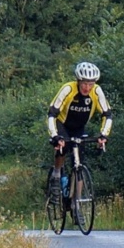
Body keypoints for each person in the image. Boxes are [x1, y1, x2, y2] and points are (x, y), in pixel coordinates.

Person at [46, 62, 112, 192]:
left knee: (80, 162)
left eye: (91, 84)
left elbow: (108, 115)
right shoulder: (68, 89)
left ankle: (77, 203)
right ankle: (56, 174)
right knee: (62, 147)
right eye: (84, 83)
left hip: (79, 127)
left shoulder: (97, 91)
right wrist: (54, 136)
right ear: (78, 81)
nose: (87, 88)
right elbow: (52, 114)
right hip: (62, 124)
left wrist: (103, 135)